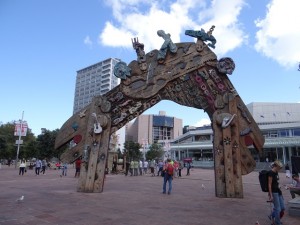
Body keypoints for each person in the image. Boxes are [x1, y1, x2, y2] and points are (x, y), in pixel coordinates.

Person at [268, 160, 285, 225]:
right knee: (278, 209)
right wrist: (270, 194)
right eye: (279, 167)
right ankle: (277, 222)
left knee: (283, 207)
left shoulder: (276, 172)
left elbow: (277, 182)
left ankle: (271, 215)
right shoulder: (271, 173)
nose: (280, 169)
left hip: (279, 191)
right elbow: (269, 184)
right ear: (276, 166)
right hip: (274, 192)